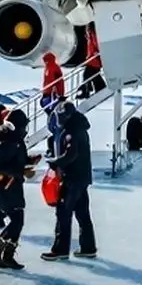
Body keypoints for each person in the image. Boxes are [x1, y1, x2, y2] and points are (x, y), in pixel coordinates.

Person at [41, 101, 97, 261]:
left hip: (72, 178)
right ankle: (88, 247)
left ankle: (60, 250)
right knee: (82, 214)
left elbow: (70, 155)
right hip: (82, 178)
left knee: (63, 214)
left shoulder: (71, 131)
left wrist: (55, 162)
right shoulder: (78, 128)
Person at [0, 109, 40, 270]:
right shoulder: (8, 141)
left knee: (18, 221)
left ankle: (7, 255)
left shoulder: (15, 140)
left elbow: (16, 160)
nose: (25, 129)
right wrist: (23, 171)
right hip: (5, 188)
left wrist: (29, 160)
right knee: (17, 221)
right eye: (24, 126)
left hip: (12, 187)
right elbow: (0, 166)